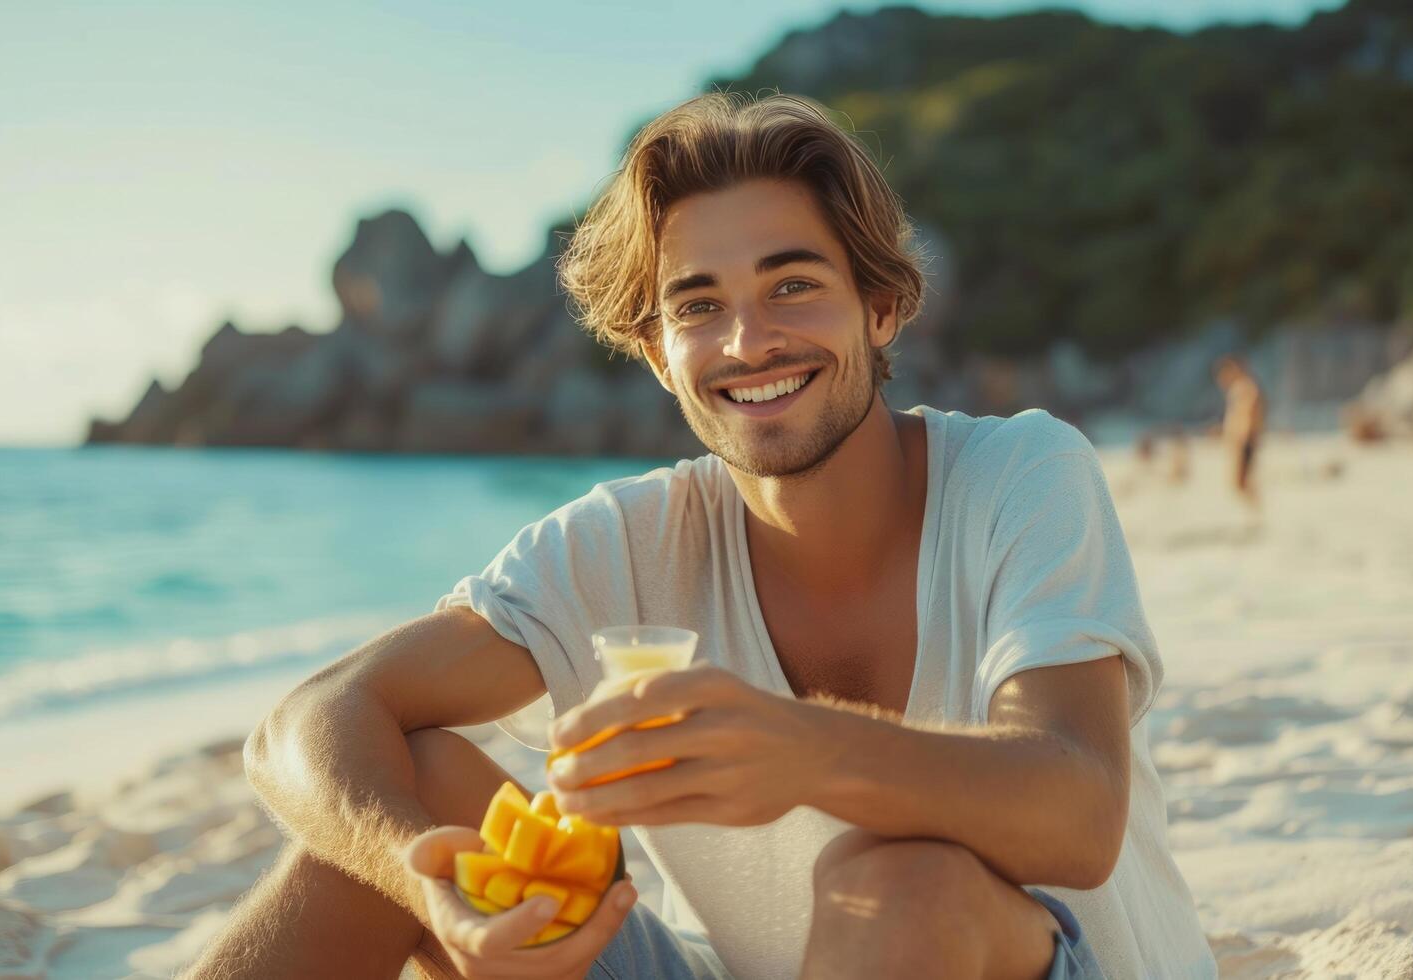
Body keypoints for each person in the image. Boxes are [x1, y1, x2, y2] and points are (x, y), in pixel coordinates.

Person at [187, 93, 1214, 980]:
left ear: (883, 305)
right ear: (656, 353)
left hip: (1032, 956)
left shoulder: (1021, 474)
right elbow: (303, 722)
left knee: (900, 876)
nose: (747, 339)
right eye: (699, 305)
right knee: (401, 806)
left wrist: (802, 749)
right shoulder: (626, 541)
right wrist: (430, 874)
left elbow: (1079, 808)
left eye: (794, 285)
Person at [1213, 356, 1266, 505]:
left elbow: (1250, 414)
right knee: (1240, 482)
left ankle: (1255, 511)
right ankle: (1254, 511)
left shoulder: (1246, 387)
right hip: (1242, 438)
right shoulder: (1239, 388)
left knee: (1241, 482)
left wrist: (1244, 435)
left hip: (1245, 439)